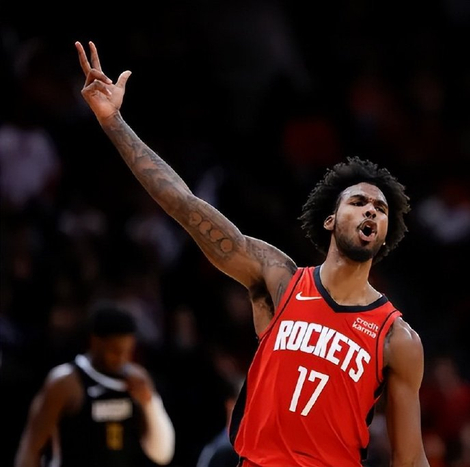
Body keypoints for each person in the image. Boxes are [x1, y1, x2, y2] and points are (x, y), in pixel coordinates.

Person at [75, 40, 429, 467]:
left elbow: (411, 458)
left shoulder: (396, 338)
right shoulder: (280, 279)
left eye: (381, 209)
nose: (371, 210)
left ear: (385, 235)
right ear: (330, 220)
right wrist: (113, 121)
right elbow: (184, 204)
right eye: (358, 202)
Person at [14, 305, 175, 467]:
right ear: (95, 341)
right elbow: (31, 446)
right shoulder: (64, 382)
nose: (121, 358)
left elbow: (162, 455)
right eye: (115, 351)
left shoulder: (137, 380)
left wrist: (150, 404)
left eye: (127, 351)